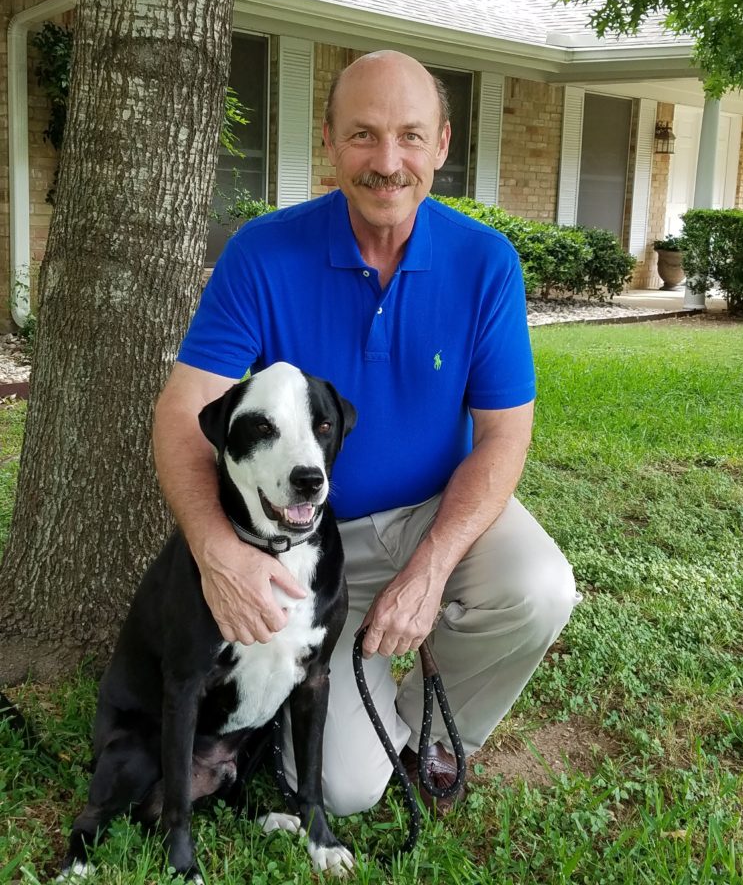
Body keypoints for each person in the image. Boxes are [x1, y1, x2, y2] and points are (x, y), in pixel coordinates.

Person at [153, 50, 580, 816]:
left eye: (411, 136)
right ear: (328, 141)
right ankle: (361, 701)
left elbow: (504, 437)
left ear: (443, 145)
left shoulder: (486, 263)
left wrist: (430, 569)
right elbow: (185, 411)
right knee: (346, 793)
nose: (389, 162)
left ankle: (440, 738)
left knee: (537, 588)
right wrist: (217, 551)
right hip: (307, 544)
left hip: (433, 511)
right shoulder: (262, 252)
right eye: (364, 136)